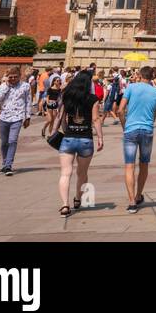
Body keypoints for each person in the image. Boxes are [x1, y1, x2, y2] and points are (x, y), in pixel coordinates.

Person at [52, 70, 103, 217]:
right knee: (82, 173)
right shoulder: (93, 99)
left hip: (68, 138)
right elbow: (95, 119)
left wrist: (58, 131)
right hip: (86, 139)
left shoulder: (67, 96)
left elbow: (60, 117)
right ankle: (78, 199)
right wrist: (100, 137)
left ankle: (64, 205)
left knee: (65, 173)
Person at [120, 65, 156, 214]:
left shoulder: (131, 88)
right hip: (147, 130)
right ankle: (138, 195)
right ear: (153, 76)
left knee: (129, 166)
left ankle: (131, 202)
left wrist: (125, 125)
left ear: (139, 74)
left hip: (130, 130)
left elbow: (120, 110)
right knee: (144, 164)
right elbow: (155, 114)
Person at [0, 67, 32, 175]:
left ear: (20, 76)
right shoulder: (3, 86)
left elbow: (28, 102)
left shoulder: (25, 86)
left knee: (12, 140)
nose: (13, 79)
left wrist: (27, 117)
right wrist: (6, 86)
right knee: (4, 142)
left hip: (17, 117)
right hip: (4, 117)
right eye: (11, 77)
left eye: (15, 77)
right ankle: (5, 164)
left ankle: (8, 165)